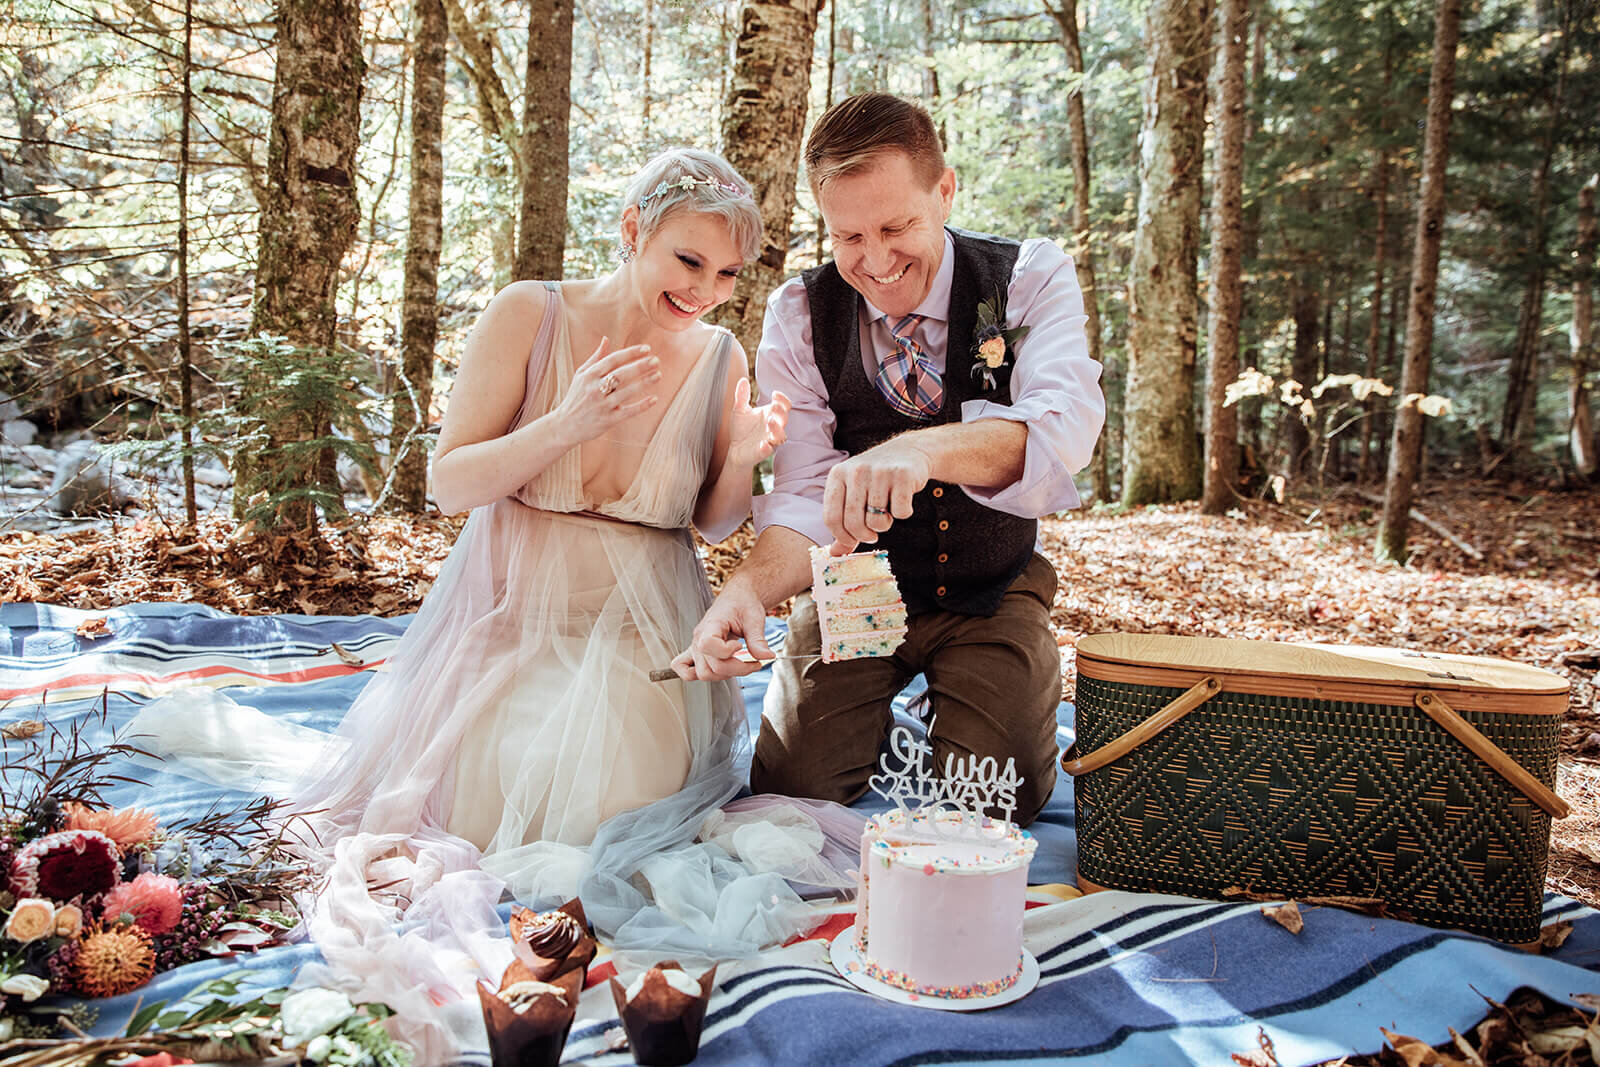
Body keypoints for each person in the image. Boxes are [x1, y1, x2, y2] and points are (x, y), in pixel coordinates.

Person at [131, 149, 864, 1060]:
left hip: (642, 628)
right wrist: (568, 422)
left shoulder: (719, 354)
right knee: (490, 804)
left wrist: (742, 456)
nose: (706, 290)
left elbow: (712, 525)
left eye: (725, 274)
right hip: (513, 615)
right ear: (634, 230)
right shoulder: (533, 312)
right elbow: (448, 482)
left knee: (607, 815)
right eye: (687, 261)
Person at [672, 94, 1106, 826]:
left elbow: (1063, 432)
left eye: (897, 225)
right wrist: (746, 590)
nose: (875, 262)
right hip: (856, 584)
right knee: (791, 789)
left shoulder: (1028, 277)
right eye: (849, 236)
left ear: (944, 190)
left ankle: (960, 702)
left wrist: (921, 451)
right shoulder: (800, 313)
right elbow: (804, 492)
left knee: (997, 799)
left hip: (990, 585)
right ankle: (876, 711)